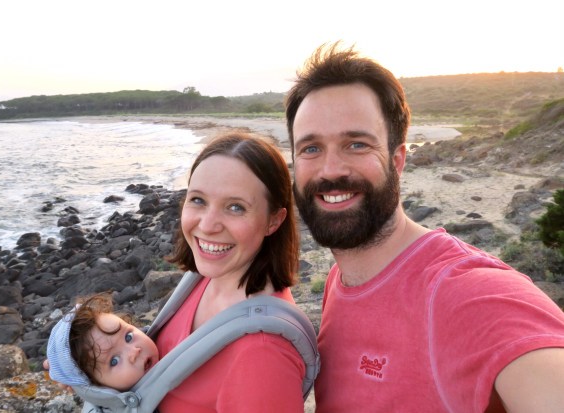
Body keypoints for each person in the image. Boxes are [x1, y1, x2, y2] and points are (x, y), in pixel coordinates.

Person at [285, 42, 564, 412]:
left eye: (356, 144)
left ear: (397, 160)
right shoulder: (341, 279)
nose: (331, 169)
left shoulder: (465, 293)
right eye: (310, 149)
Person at [155, 132, 305, 412]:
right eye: (198, 200)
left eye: (236, 207)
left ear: (274, 221)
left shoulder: (263, 354)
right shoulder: (202, 280)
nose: (207, 225)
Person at [46, 293, 160, 392]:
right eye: (114, 361)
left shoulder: (160, 333)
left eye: (128, 337)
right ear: (98, 387)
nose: (135, 351)